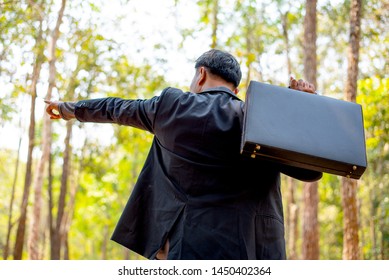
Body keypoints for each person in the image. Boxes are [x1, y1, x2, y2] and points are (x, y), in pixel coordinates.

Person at [45, 49, 321, 260]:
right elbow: (310, 172)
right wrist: (297, 108)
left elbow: (115, 108)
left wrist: (68, 108)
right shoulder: (263, 119)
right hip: (254, 249)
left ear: (201, 75)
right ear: (235, 90)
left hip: (187, 245)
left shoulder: (172, 107)